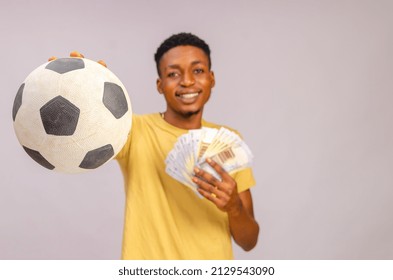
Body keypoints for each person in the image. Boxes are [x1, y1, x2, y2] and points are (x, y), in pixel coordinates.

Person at [58, 33, 259, 259]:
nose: (187, 81)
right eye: (173, 73)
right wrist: (73, 87)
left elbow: (249, 241)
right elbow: (86, 128)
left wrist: (234, 207)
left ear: (212, 79)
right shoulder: (134, 130)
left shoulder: (229, 140)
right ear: (160, 85)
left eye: (198, 70)